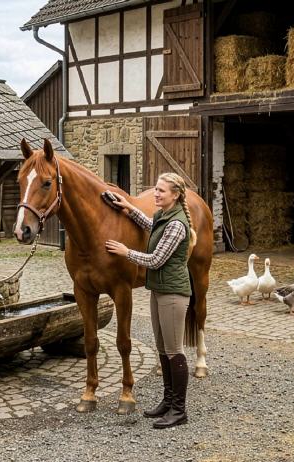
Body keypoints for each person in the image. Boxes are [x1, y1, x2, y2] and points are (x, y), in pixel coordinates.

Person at [104, 172, 196, 429]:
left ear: (175, 195)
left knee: (174, 350)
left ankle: (179, 410)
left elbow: (155, 259)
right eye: (155, 189)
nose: (155, 194)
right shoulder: (163, 216)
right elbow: (149, 224)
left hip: (173, 294)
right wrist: (128, 208)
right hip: (159, 290)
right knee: (163, 349)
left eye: (161, 191)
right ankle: (168, 401)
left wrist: (125, 252)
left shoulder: (177, 225)